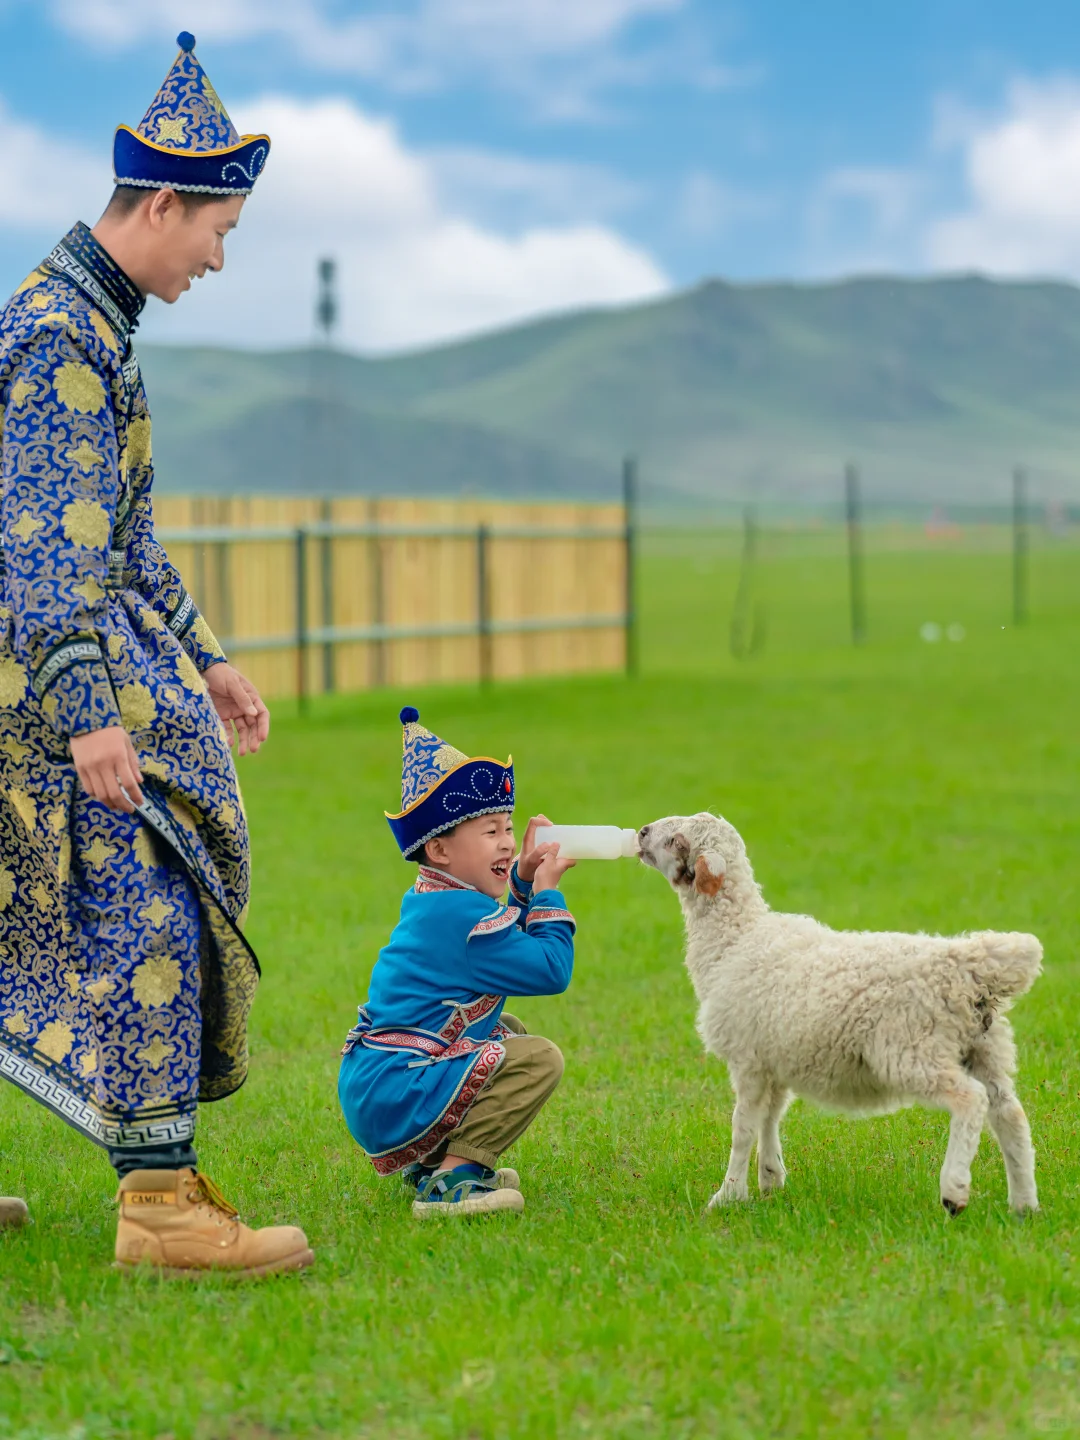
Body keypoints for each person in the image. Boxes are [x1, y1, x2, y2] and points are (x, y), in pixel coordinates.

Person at [0, 32, 313, 1275]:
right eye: (218, 232)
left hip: (43, 672)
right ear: (163, 203)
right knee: (149, 901)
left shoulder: (90, 326)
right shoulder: (60, 340)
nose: (217, 259)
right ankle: (161, 1208)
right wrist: (91, 714)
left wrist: (208, 658)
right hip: (41, 688)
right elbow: (44, 554)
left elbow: (122, 540)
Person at [338, 707, 577, 1218]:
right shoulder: (463, 919)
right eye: (491, 831)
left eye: (508, 827)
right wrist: (547, 894)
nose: (508, 841)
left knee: (508, 1030)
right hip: (397, 1086)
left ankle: (431, 1162)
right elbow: (550, 969)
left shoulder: (439, 900)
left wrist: (520, 879)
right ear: (440, 849)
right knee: (538, 1058)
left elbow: (497, 946)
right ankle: (453, 1181)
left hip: (383, 1082)